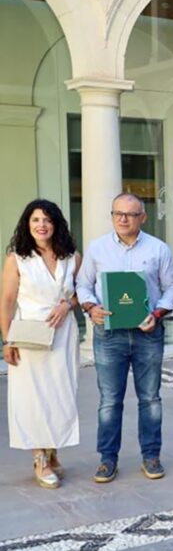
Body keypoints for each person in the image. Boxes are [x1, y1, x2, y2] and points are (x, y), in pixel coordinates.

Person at [77, 193, 173, 483]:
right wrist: (91, 308)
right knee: (109, 400)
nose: (123, 219)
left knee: (150, 399)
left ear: (142, 218)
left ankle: (151, 455)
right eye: (118, 213)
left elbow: (171, 287)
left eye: (131, 214)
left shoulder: (158, 249)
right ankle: (107, 458)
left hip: (148, 333)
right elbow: (83, 285)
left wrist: (158, 314)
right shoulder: (97, 249)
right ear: (112, 216)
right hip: (109, 334)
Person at [1, 200, 80, 488]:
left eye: (47, 219)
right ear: (27, 224)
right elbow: (7, 301)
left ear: (56, 224)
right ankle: (39, 458)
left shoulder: (72, 256)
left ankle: (53, 451)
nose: (41, 225)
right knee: (33, 397)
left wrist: (67, 305)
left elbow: (81, 293)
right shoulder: (17, 258)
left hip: (62, 333)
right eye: (35, 220)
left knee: (60, 394)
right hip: (29, 334)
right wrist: (7, 340)